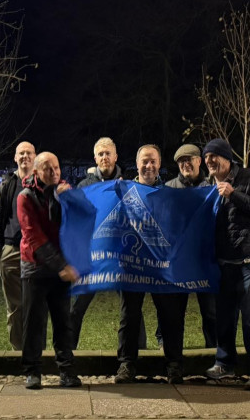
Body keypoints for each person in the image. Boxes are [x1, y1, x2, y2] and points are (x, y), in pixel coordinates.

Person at [201, 138, 250, 391]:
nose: (210, 161)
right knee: (224, 318)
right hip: (224, 262)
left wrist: (234, 194)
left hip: (249, 260)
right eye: (207, 158)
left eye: (215, 157)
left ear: (227, 158)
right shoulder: (206, 186)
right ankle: (224, 364)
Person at [114, 144, 188, 385]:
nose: (149, 166)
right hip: (132, 264)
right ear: (137, 164)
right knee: (130, 315)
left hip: (161, 266)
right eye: (145, 161)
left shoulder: (169, 194)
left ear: (159, 164)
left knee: (170, 315)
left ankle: (174, 364)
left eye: (153, 161)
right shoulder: (124, 193)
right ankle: (127, 364)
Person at [70, 137, 146, 349]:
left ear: (115, 157)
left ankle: (139, 350)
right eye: (101, 154)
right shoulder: (84, 186)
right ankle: (67, 351)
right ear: (95, 158)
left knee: (132, 307)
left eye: (108, 153)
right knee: (76, 307)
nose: (104, 157)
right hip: (91, 257)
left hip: (120, 256)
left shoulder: (127, 184)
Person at [17, 152, 81, 390]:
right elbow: (33, 236)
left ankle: (66, 370)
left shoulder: (65, 192)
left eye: (56, 167)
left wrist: (71, 199)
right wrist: (61, 266)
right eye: (47, 169)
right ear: (36, 173)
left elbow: (81, 218)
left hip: (60, 268)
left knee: (63, 321)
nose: (54, 173)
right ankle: (32, 371)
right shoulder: (25, 198)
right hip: (36, 267)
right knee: (34, 322)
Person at [165, 143, 217, 348]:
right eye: (181, 161)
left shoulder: (211, 188)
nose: (185, 164)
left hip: (206, 262)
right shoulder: (168, 189)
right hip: (179, 262)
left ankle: (214, 354)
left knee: (211, 313)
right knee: (174, 313)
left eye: (189, 159)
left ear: (199, 161)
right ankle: (173, 356)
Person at [0, 141, 35, 350]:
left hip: (36, 253)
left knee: (35, 306)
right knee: (15, 307)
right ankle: (19, 352)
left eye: (29, 153)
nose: (25, 156)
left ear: (35, 157)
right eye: (21, 153)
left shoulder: (42, 182)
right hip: (10, 252)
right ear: (15, 158)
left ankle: (35, 352)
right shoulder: (7, 186)